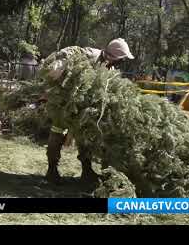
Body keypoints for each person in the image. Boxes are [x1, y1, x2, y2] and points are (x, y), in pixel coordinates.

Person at [42, 38, 135, 184]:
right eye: (121, 59)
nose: (121, 63)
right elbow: (72, 51)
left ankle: (87, 170)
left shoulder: (109, 68)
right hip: (64, 102)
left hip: (84, 108)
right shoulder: (91, 55)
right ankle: (52, 170)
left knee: (85, 138)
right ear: (114, 56)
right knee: (57, 132)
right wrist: (60, 63)